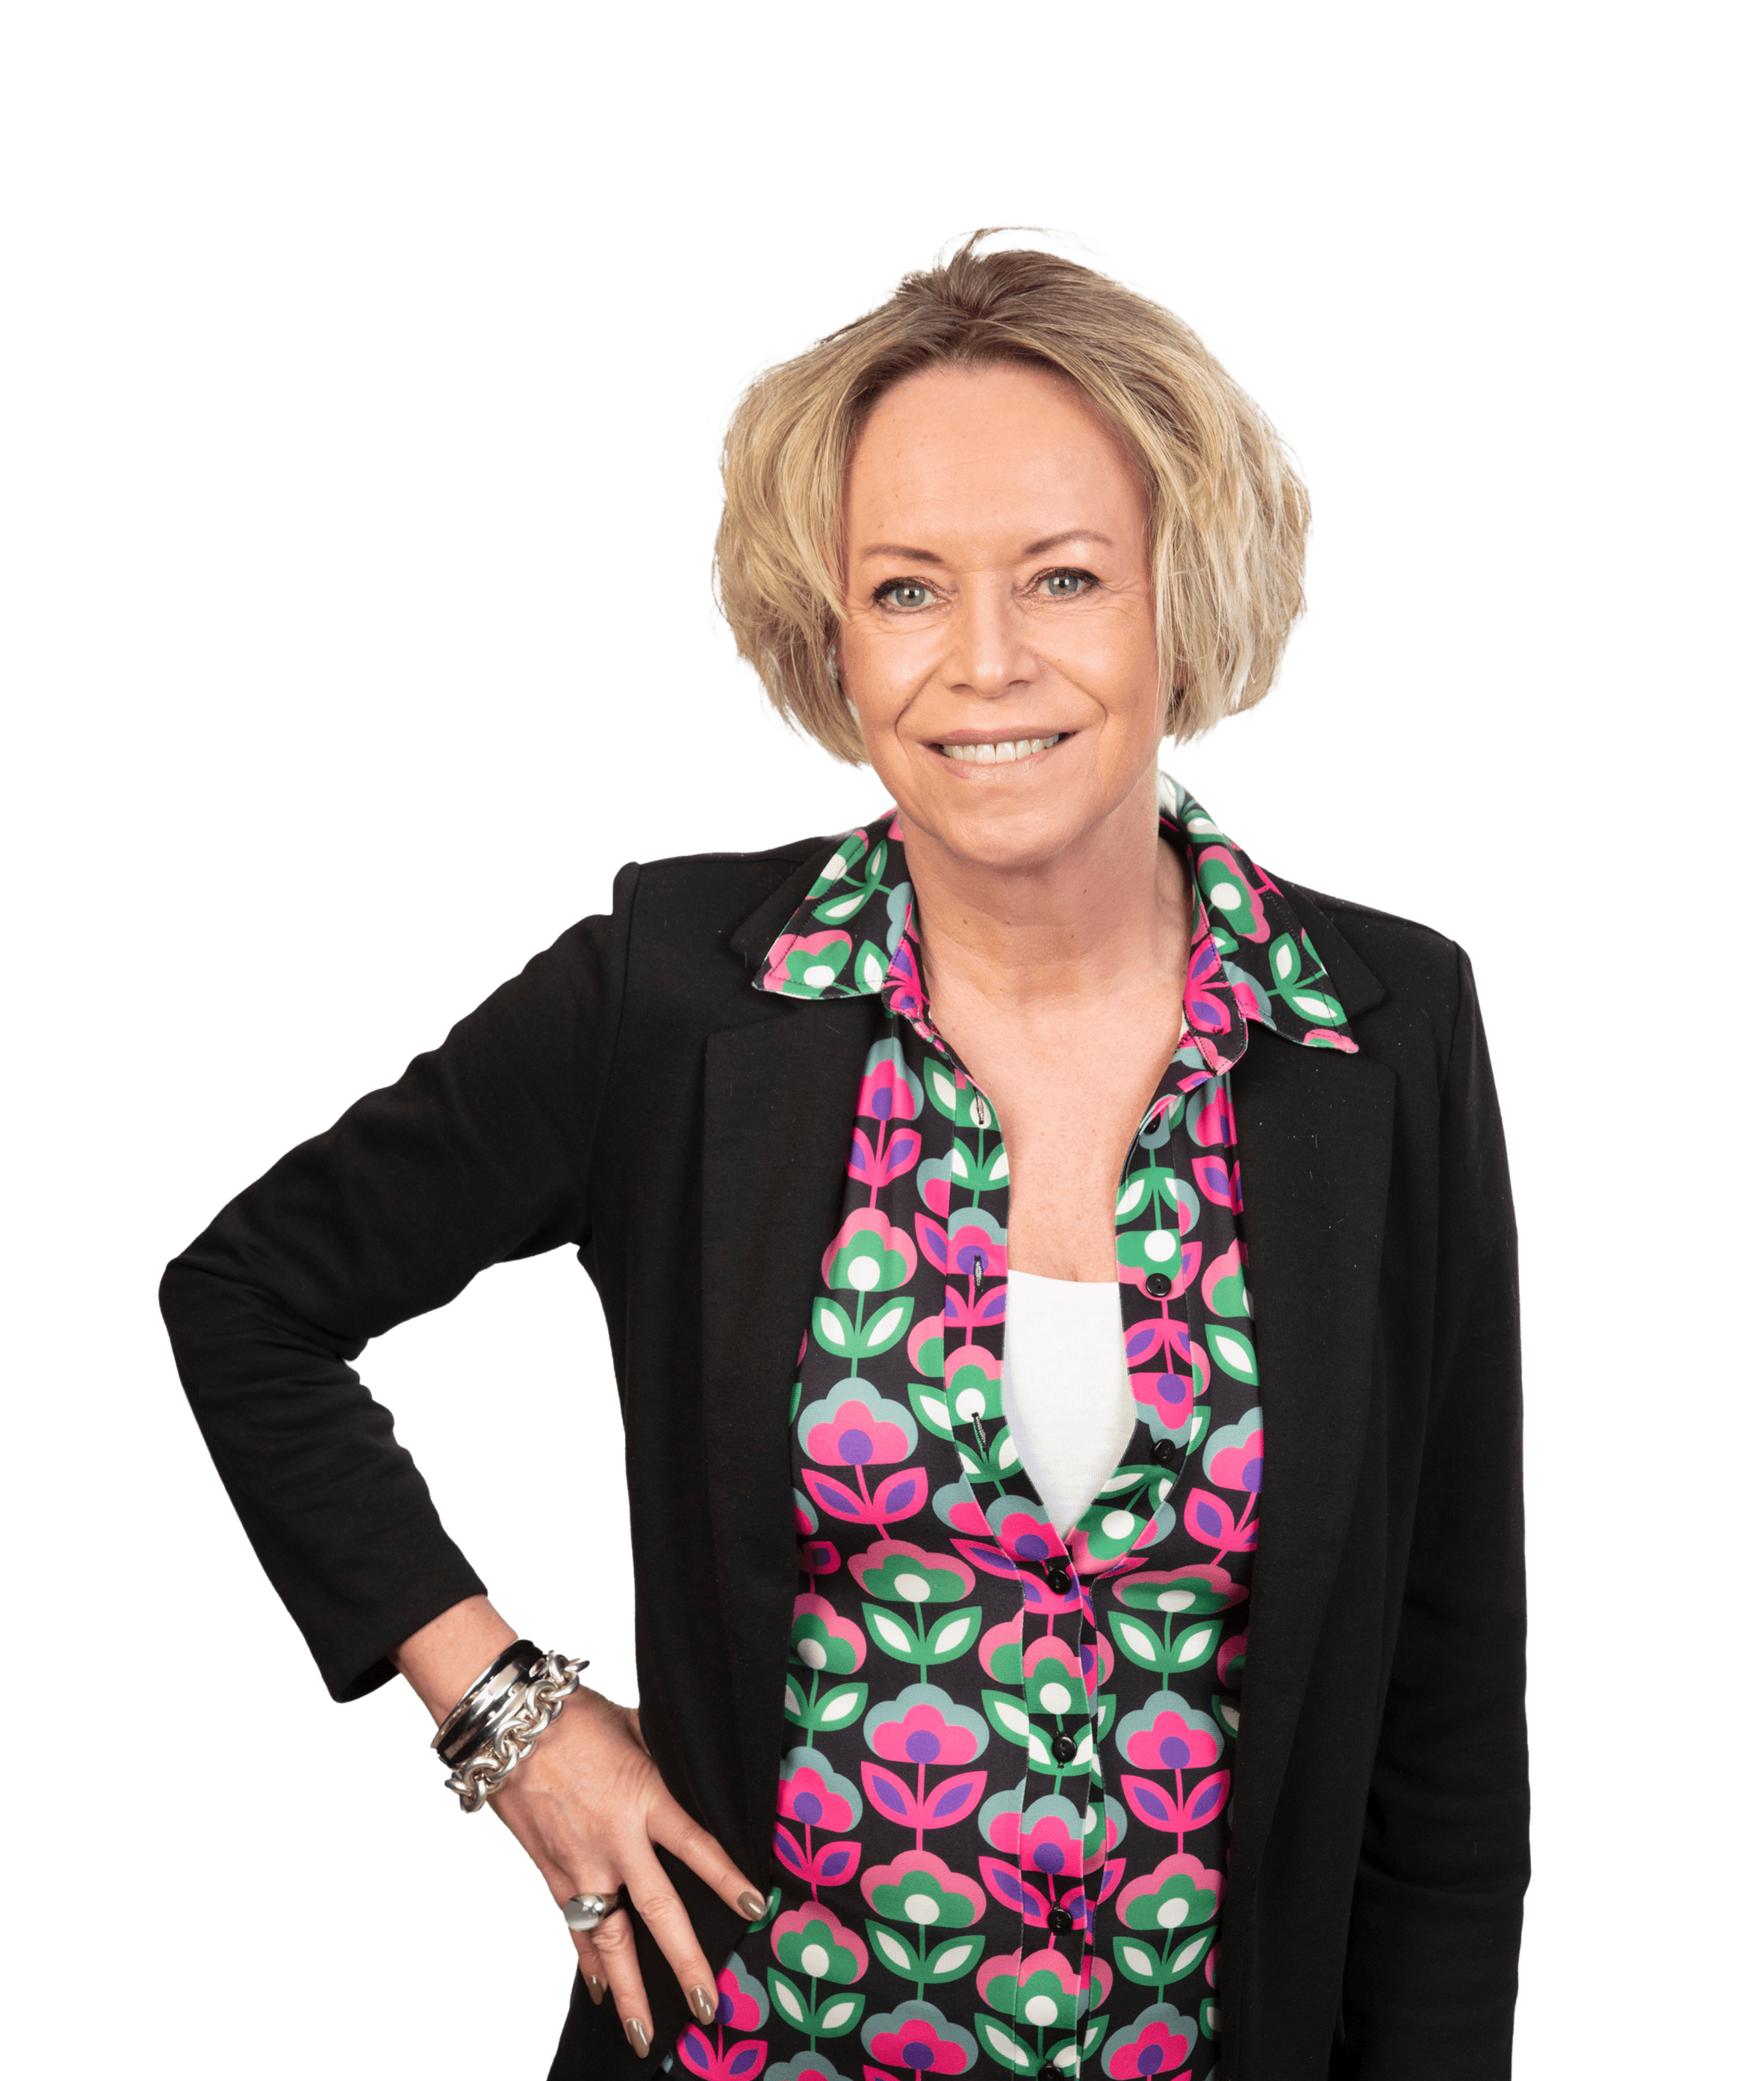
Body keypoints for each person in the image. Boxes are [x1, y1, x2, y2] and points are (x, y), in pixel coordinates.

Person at [158, 223, 1529, 2080]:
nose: (984, 663)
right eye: (904, 589)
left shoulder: (1379, 1024)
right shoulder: (673, 992)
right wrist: (507, 1718)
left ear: (1177, 596)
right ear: (829, 629)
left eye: (1061, 576)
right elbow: (248, 1296)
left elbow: (1445, 1716)